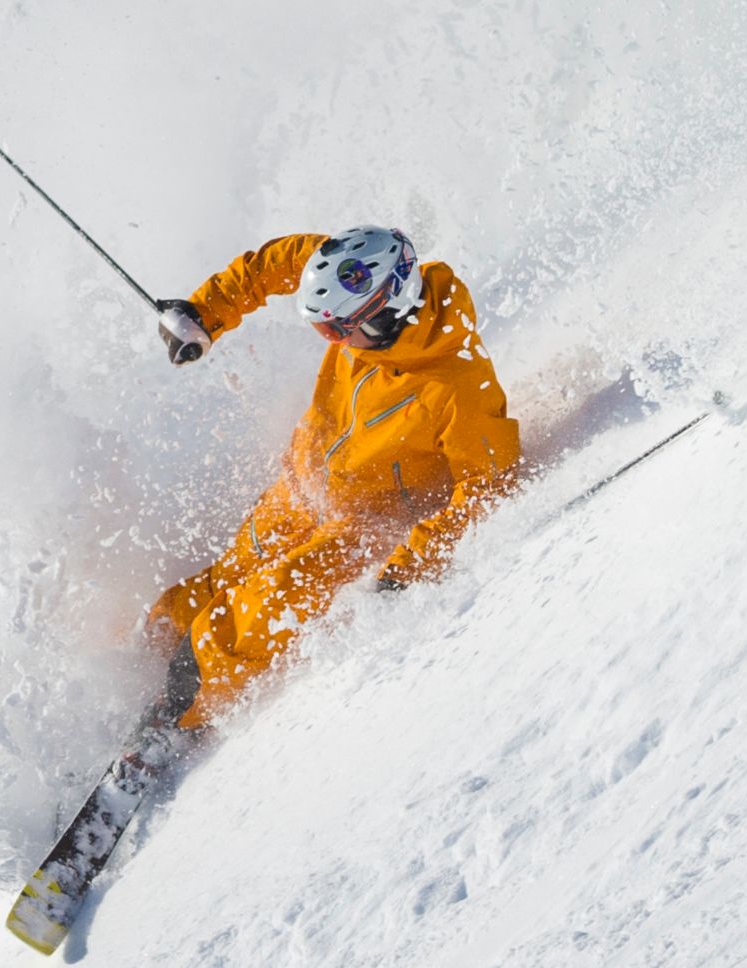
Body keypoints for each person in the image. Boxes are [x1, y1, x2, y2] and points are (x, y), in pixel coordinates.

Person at [138, 225, 524, 736]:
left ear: (391, 306)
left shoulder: (459, 384)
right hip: (300, 487)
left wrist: (411, 563)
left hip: (361, 527)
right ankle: (142, 668)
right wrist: (205, 313)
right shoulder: (348, 275)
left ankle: (175, 721)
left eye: (338, 330)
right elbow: (273, 264)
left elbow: (488, 486)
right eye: (323, 332)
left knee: (260, 609)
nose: (333, 342)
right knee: (219, 583)